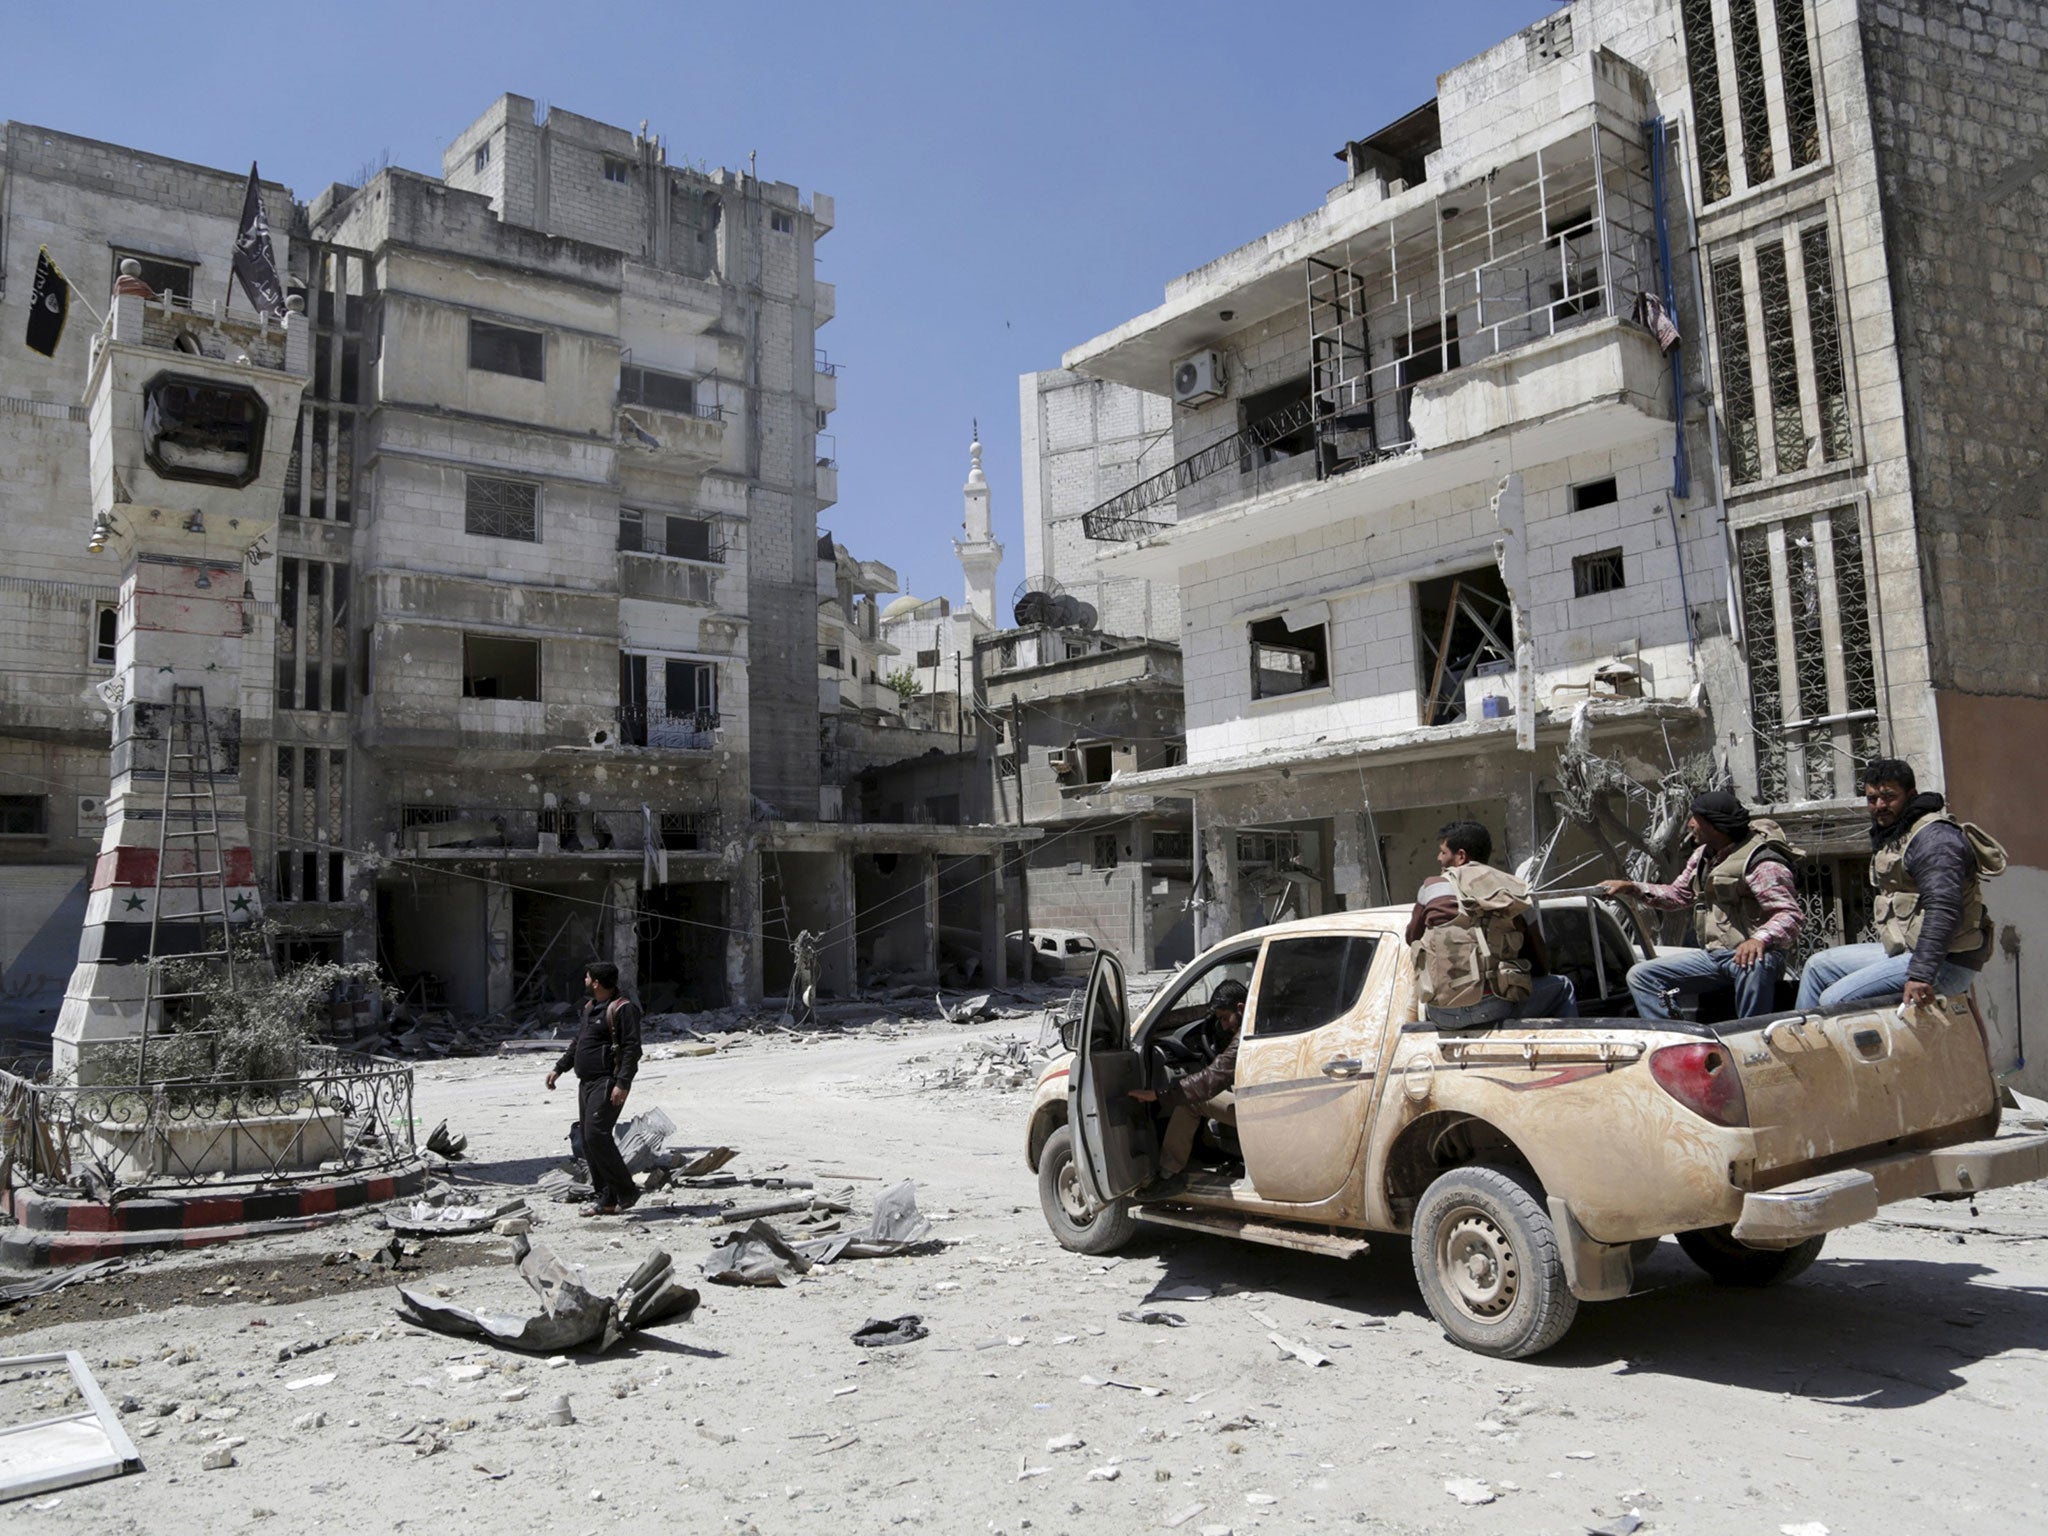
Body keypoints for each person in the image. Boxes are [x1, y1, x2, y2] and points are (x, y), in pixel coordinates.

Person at [1795, 759, 1998, 1010]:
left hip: (1946, 961)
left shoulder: (1934, 839)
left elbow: (1944, 909)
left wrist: (1920, 974)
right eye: (1872, 799)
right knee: (1817, 967)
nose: (1880, 806)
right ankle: (1805, 1042)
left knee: (1835, 1000)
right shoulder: (1898, 833)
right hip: (1909, 953)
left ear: (1910, 795)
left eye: (1889, 797)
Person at [1600, 790, 1802, 1021]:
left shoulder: (1761, 862)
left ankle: (1750, 1035)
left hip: (1756, 958)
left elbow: (1789, 914)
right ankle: (1676, 1039)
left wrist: (1758, 939)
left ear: (1713, 825)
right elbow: (1678, 896)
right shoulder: (1703, 856)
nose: (1689, 824)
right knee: (1642, 976)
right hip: (1715, 957)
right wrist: (1631, 888)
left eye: (1695, 819)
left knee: (1754, 966)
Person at [1408, 820, 1576, 1021]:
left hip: (1440, 1012)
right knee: (1563, 986)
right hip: (1495, 1007)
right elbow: (1540, 963)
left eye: (1443, 852)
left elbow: (1412, 937)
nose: (1439, 858)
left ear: (1461, 856)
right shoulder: (1515, 889)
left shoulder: (1431, 888)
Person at [546, 962, 644, 1216]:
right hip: (586, 1083)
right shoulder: (590, 1008)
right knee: (588, 1142)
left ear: (596, 983)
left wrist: (623, 1083)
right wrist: (559, 1068)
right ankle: (607, 1199)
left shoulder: (623, 1009)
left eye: (587, 977)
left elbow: (633, 1049)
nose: (585, 981)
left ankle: (626, 1190)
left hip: (607, 1082)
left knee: (596, 1135)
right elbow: (579, 1042)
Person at [1128, 978, 1245, 1180]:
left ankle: (1167, 1175)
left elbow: (1211, 1079)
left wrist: (1159, 1094)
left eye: (1225, 1018)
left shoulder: (1243, 1037)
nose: (1224, 1026)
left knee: (1192, 1102)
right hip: (1266, 1103)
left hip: (1258, 1110)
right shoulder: (1262, 1024)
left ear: (1241, 1008)